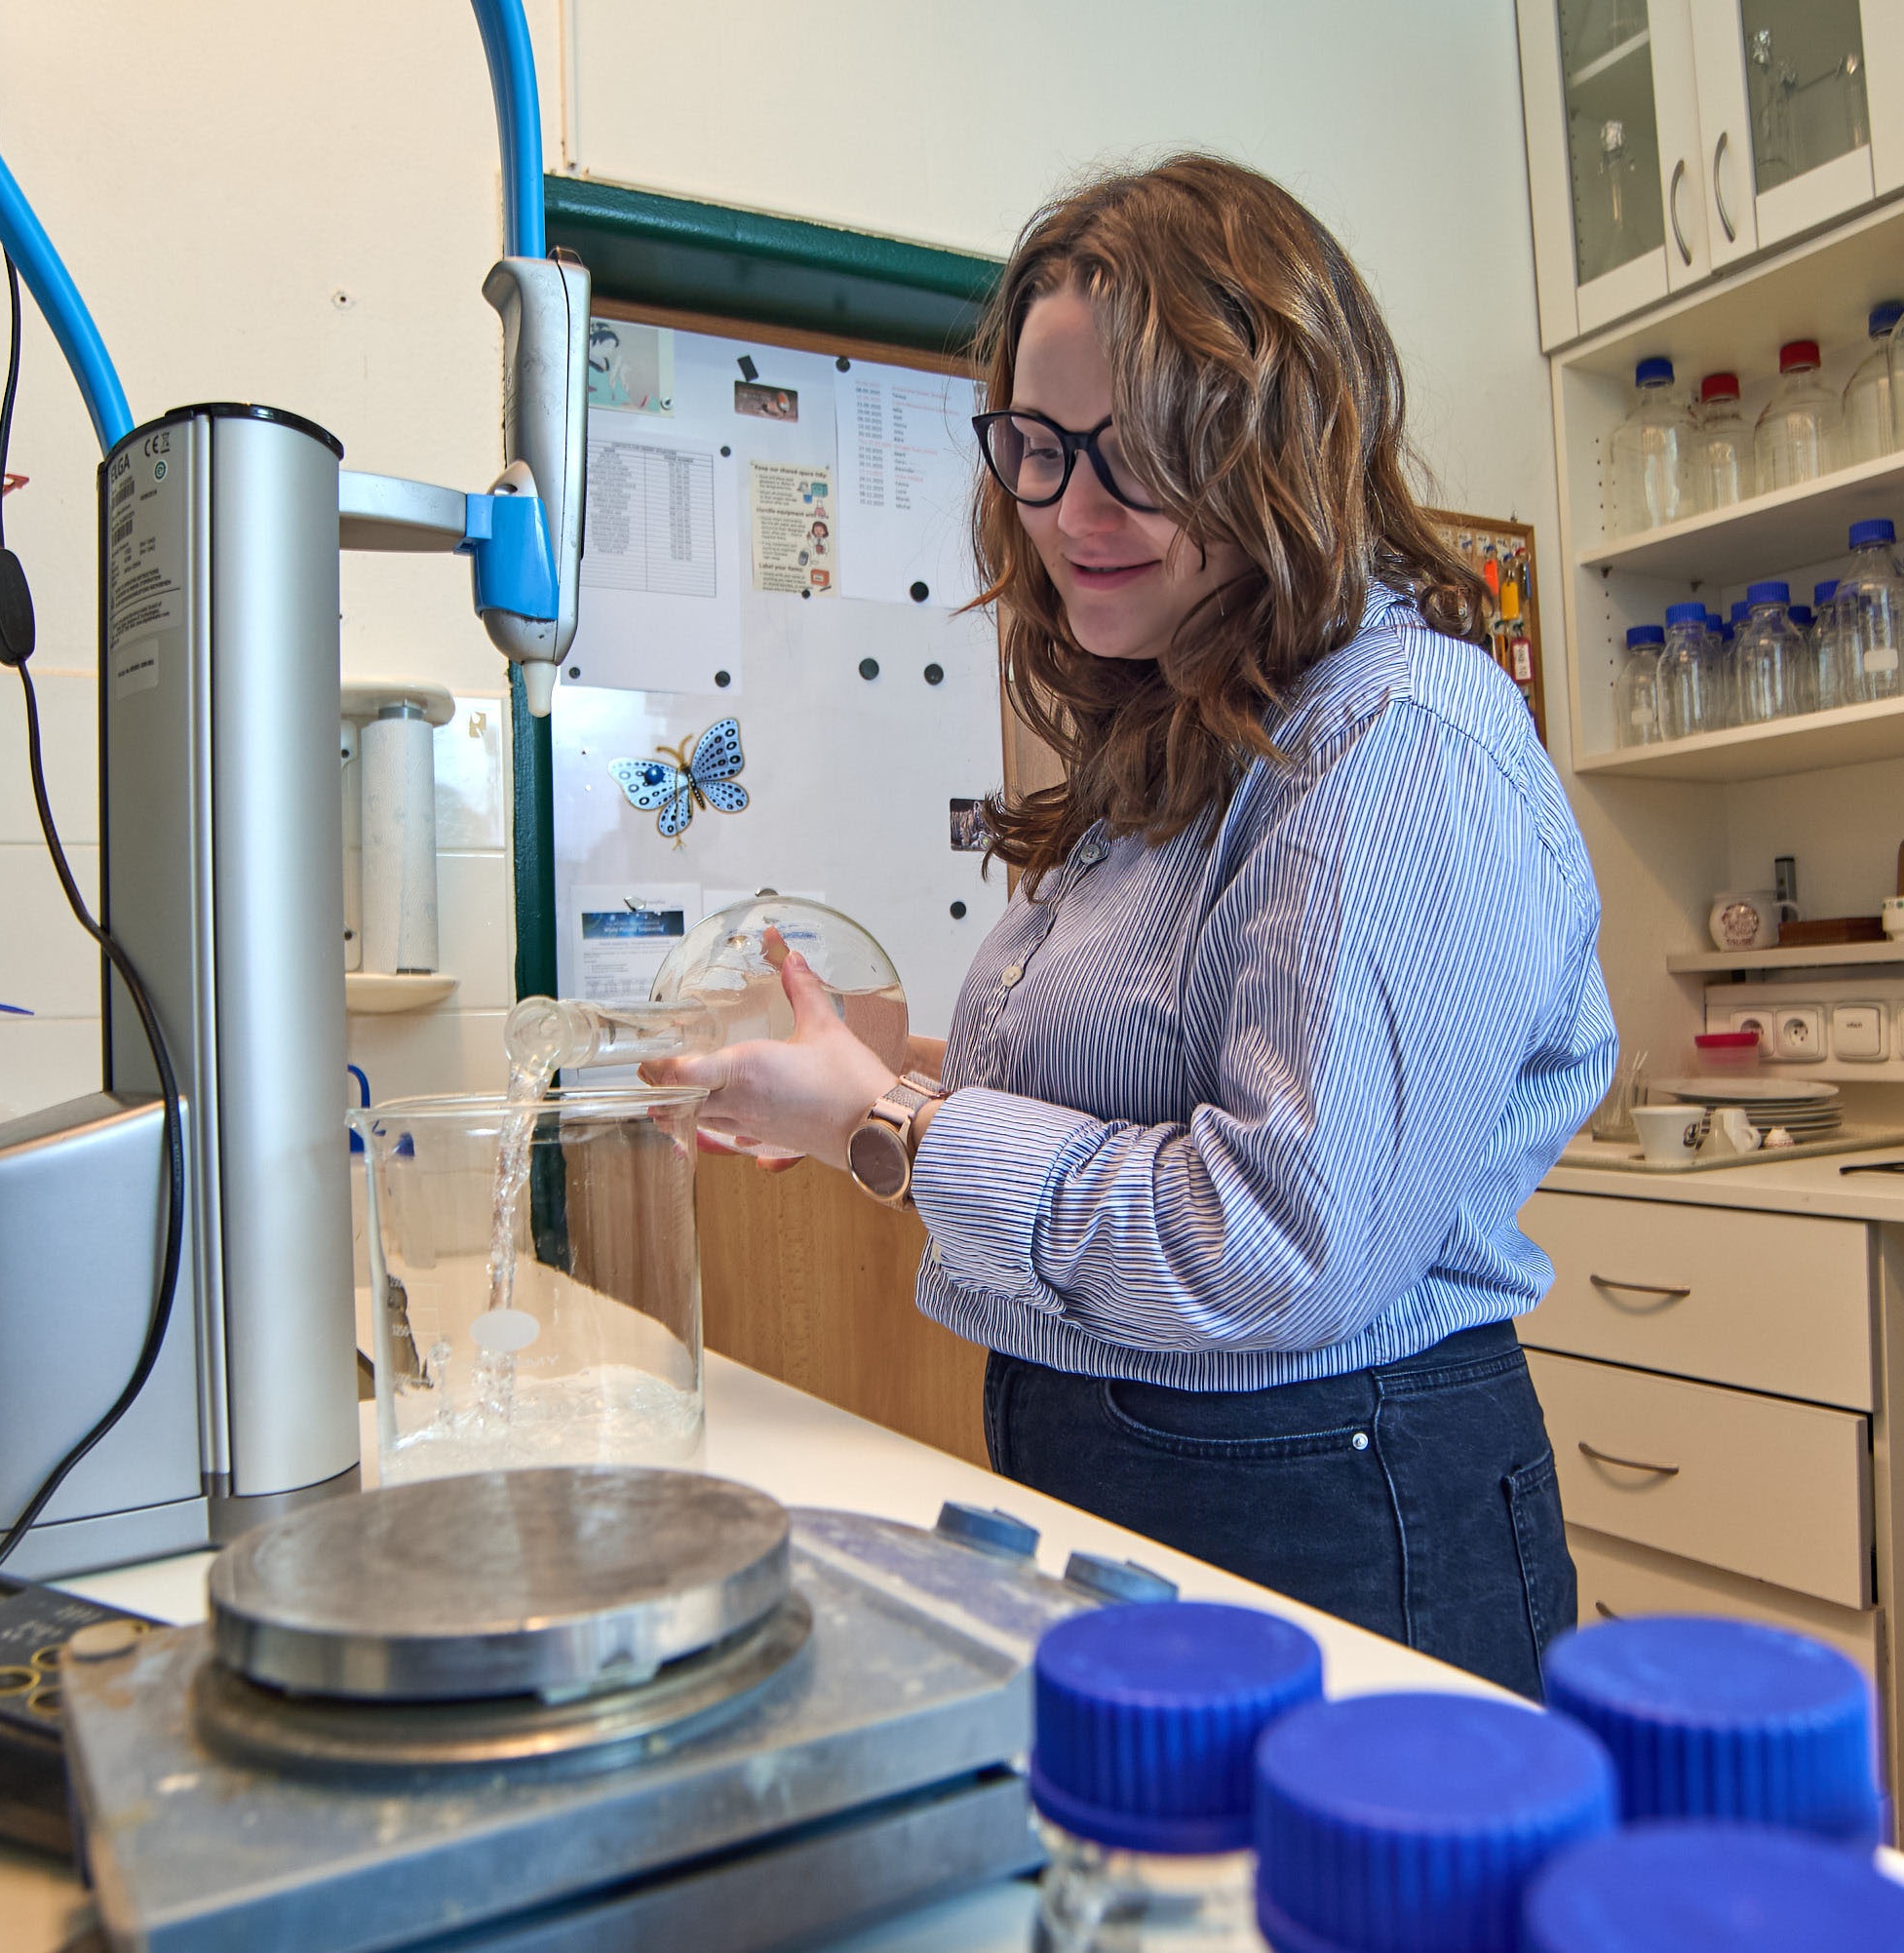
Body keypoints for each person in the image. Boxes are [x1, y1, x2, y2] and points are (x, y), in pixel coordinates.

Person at [641, 154, 1613, 1698]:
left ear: (1280, 446)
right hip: (1150, 1468)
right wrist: (864, 1077)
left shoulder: (1401, 738)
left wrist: (890, 1123)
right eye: (1036, 448)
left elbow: (1274, 1243)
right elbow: (1159, 1088)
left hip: (1333, 1495)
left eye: (1142, 454)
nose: (1070, 511)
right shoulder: (1186, 728)